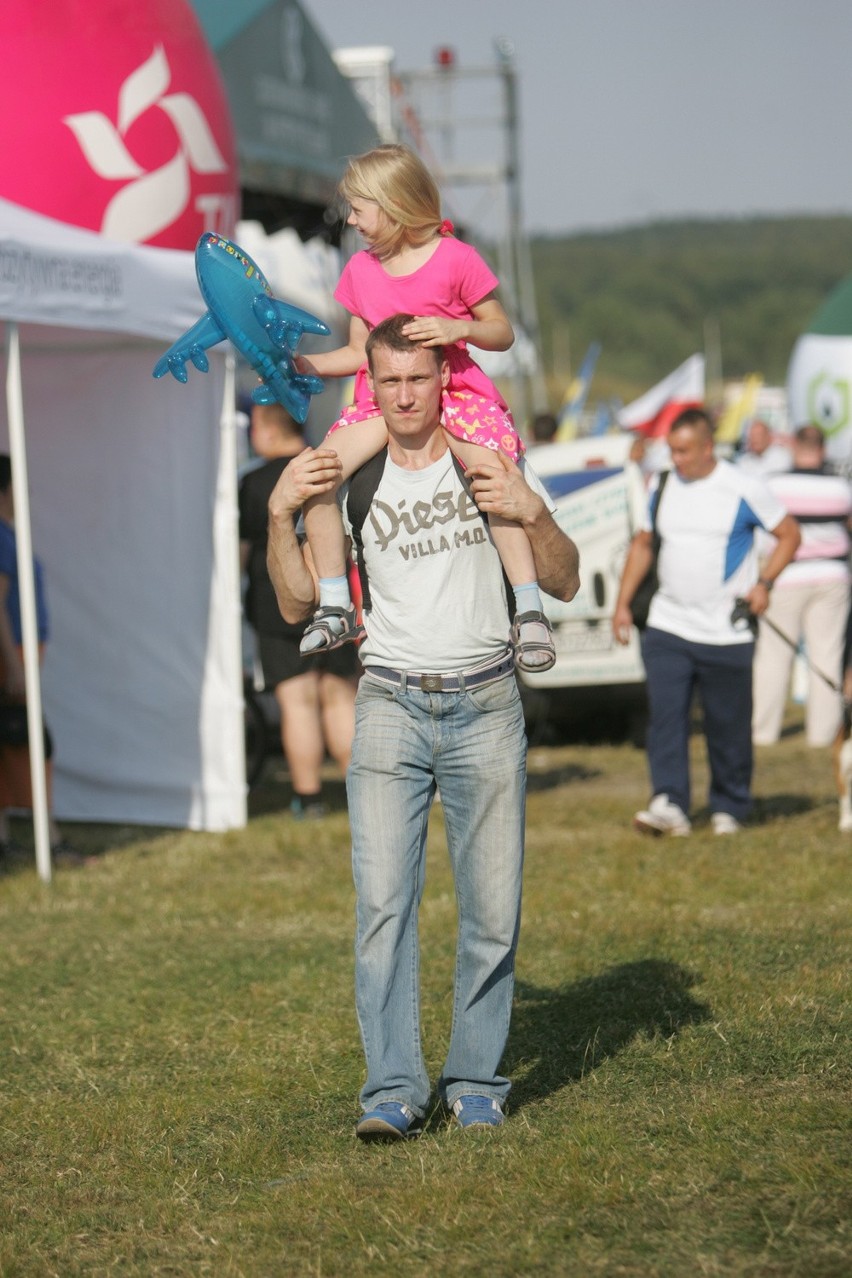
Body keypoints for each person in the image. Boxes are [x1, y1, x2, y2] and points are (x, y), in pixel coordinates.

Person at [266, 314, 580, 1138]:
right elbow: (296, 603)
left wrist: (535, 514)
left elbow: (569, 579)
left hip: (485, 706)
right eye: (389, 381)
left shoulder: (485, 466)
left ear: (445, 378)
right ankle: (394, 1092)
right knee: (383, 909)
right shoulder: (353, 476)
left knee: (491, 912)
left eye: (419, 378)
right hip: (390, 706)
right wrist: (277, 519)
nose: (405, 396)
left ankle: (476, 1079)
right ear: (371, 384)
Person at [292, 143, 555, 674]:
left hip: (455, 390)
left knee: (491, 474)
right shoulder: (361, 272)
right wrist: (306, 367)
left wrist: (460, 328)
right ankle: (336, 600)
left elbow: (501, 331)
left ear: (392, 204)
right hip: (381, 399)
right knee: (319, 472)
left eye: (359, 208)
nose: (352, 220)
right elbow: (355, 352)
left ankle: (528, 606)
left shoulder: (456, 258)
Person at [612, 407, 800, 836]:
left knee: (727, 723)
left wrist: (765, 583)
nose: (675, 459)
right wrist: (622, 604)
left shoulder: (743, 487)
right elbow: (643, 544)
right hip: (667, 626)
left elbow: (790, 534)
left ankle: (729, 806)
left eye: (683, 451)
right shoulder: (661, 484)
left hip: (726, 631)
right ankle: (669, 804)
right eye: (671, 451)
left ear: (707, 446)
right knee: (665, 718)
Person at [238, 403, 358, 817]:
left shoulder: (254, 483)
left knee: (297, 700)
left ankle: (308, 799)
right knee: (340, 695)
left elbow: (241, 552)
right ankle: (359, 790)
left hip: (275, 603)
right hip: (333, 592)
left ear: (267, 430)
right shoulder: (326, 464)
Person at [752, 424, 852, 748]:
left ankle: (764, 731)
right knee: (826, 654)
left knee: (773, 654)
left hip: (785, 575)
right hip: (832, 577)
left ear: (794, 446)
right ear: (823, 449)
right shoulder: (841, 487)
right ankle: (823, 735)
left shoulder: (774, 484)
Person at [0, 455, 78, 866]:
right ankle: (49, 839)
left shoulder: (9, 533)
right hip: (12, 655)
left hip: (20, 652)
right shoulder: (1, 535)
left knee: (13, 744)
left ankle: (13, 839)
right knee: (30, 744)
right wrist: (14, 668)